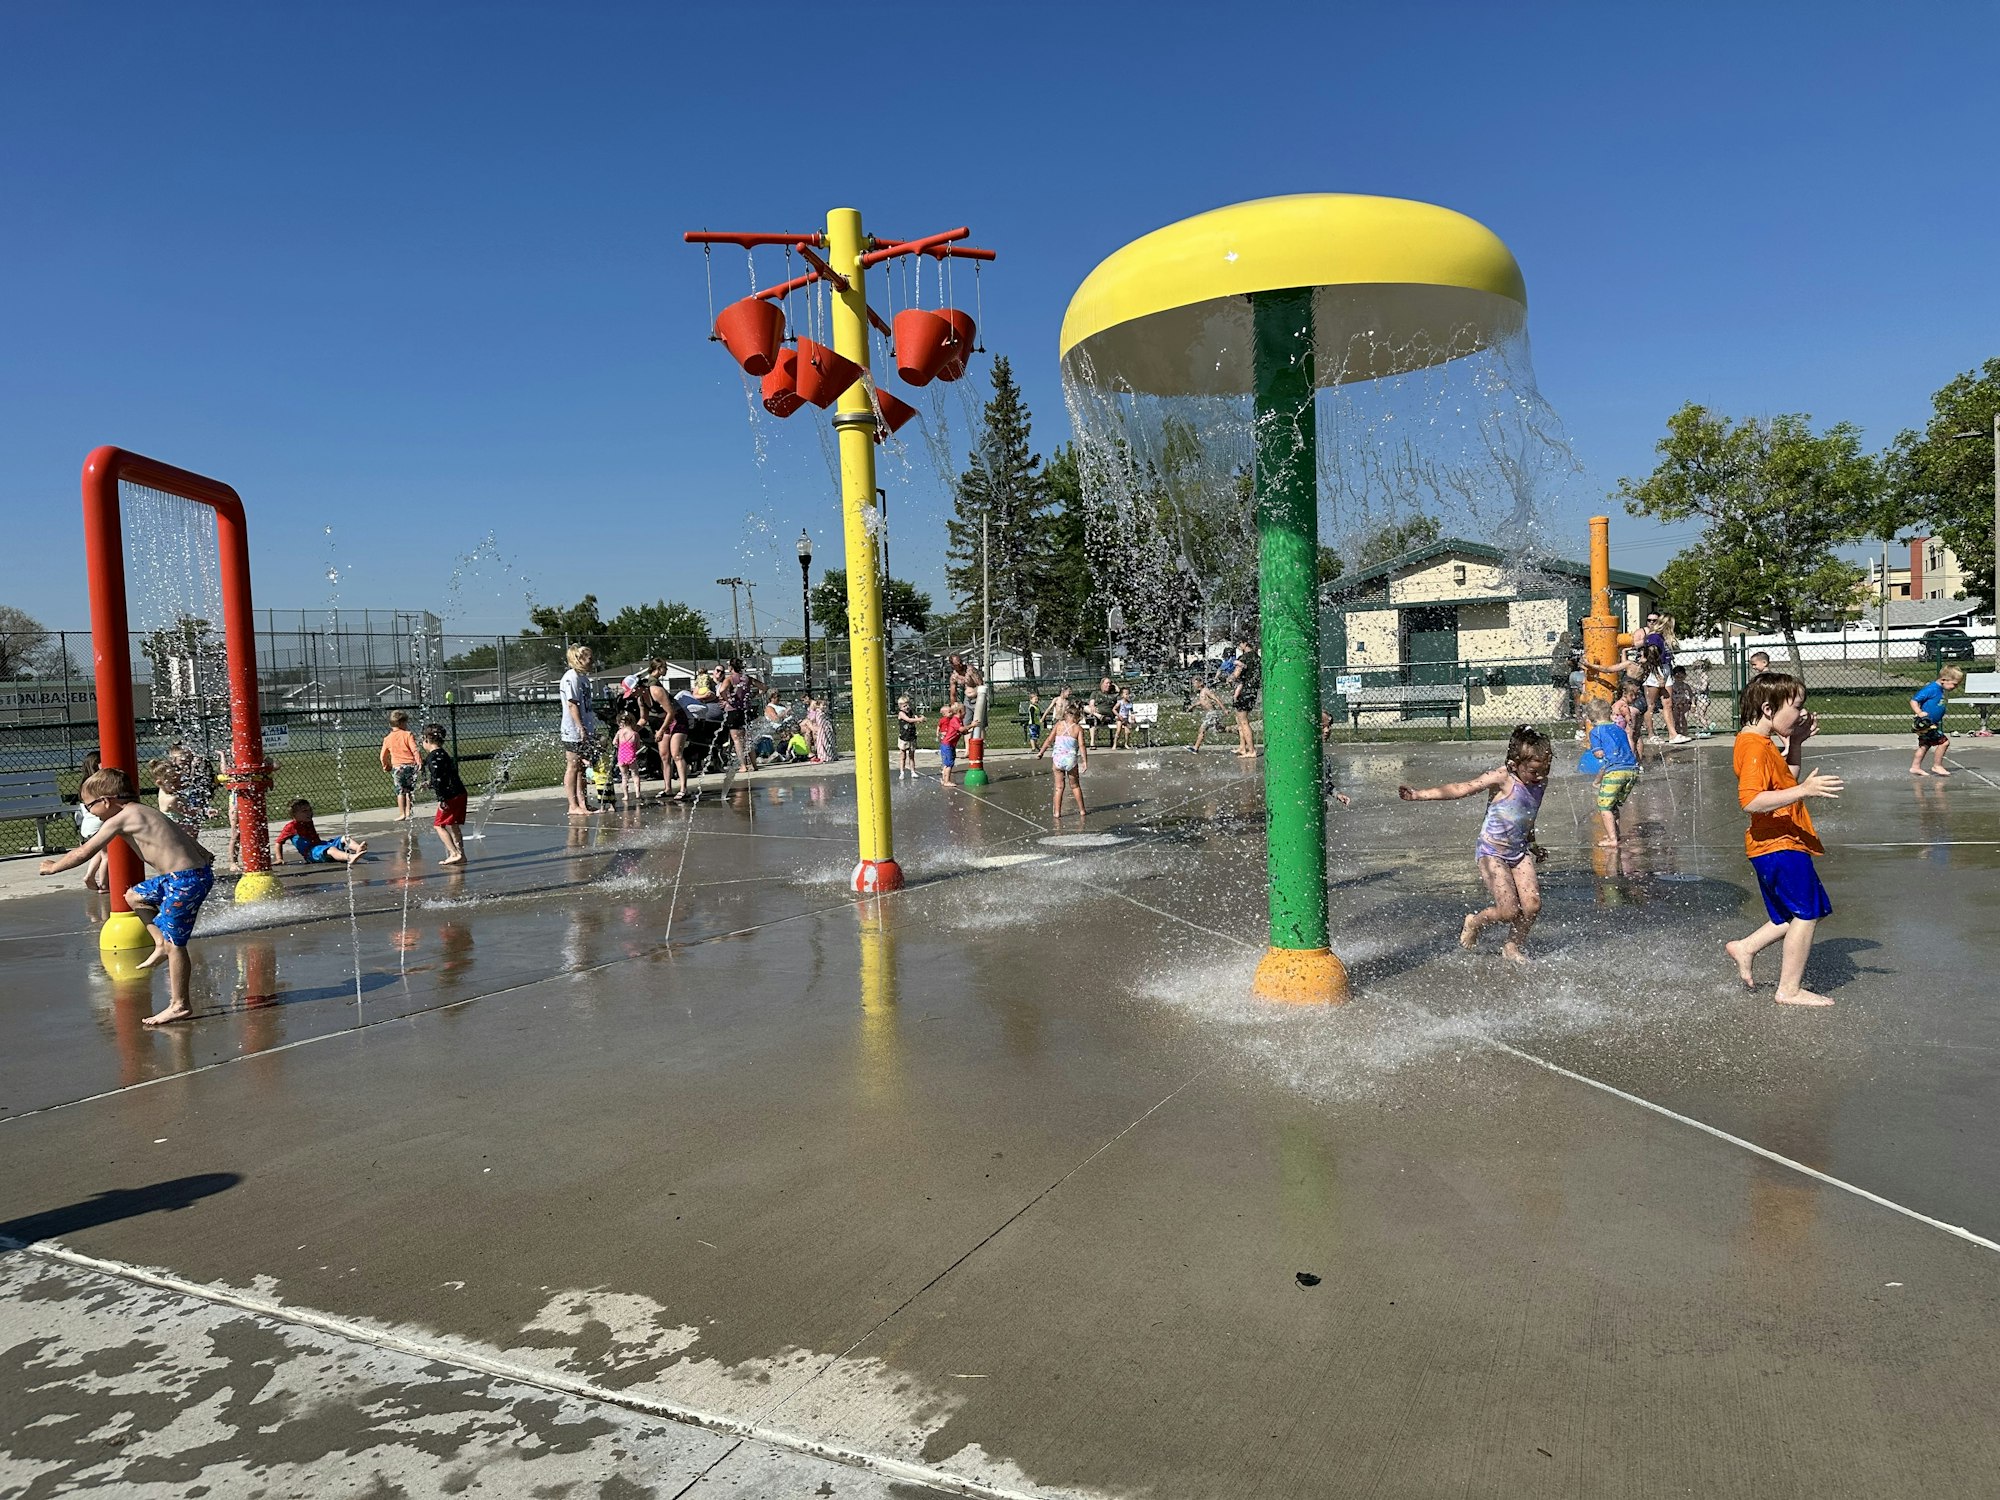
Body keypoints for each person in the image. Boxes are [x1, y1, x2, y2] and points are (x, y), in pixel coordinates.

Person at [41, 767, 216, 1024]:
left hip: (185, 881)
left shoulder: (120, 819)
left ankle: (179, 1004)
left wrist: (54, 867)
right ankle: (159, 943)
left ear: (106, 801)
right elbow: (176, 833)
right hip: (179, 878)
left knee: (176, 945)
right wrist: (202, 851)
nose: (88, 811)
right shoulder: (143, 810)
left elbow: (85, 851)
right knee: (134, 896)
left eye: (89, 805)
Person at [1724, 673, 1842, 1005]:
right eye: (1797, 707)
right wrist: (1805, 791)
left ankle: (1745, 947)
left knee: (1791, 915)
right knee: (1806, 914)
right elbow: (1750, 800)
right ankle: (1788, 989)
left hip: (1774, 844)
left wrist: (1797, 745)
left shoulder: (1759, 743)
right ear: (1767, 708)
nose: (1803, 714)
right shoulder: (1754, 748)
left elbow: (1786, 783)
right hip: (1778, 844)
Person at [1398, 724, 1553, 964]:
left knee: (1532, 906)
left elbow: (1528, 816)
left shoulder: (1539, 783)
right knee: (1508, 910)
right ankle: (1474, 922)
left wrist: (1532, 844)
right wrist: (1419, 795)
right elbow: (1461, 789)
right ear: (1514, 765)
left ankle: (1512, 946)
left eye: (1546, 768)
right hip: (1492, 853)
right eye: (1534, 771)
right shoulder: (1503, 778)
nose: (1541, 775)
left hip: (1518, 852)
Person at [1577, 698, 1640, 848]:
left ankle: (1612, 839)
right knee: (1613, 805)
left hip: (1616, 772)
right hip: (1632, 770)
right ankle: (1616, 835)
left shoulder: (1595, 732)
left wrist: (1598, 750)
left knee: (1604, 807)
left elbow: (1598, 754)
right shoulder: (1619, 728)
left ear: (1591, 719)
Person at [1641, 612, 1690, 744]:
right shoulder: (1654, 637)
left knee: (1668, 703)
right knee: (1650, 705)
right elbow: (1651, 657)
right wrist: (1658, 676)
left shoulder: (1663, 638)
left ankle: (1673, 734)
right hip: (1654, 671)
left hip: (1665, 668)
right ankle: (1651, 734)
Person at [422, 723, 468, 865]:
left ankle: (454, 853)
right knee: (453, 824)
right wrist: (430, 783)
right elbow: (444, 775)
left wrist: (442, 799)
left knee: (438, 825)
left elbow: (438, 778)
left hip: (450, 796)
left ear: (426, 740)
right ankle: (461, 855)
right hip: (460, 793)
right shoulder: (443, 754)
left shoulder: (432, 756)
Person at [560, 643, 597, 814]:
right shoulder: (571, 677)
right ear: (579, 659)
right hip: (573, 730)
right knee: (573, 766)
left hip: (585, 729)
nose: (592, 661)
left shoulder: (583, 678)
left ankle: (583, 803)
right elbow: (572, 704)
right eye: (589, 658)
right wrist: (580, 727)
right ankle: (572, 805)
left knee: (582, 768)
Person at [1037, 700, 1087, 824]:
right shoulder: (1078, 728)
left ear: (1066, 715)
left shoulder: (1059, 725)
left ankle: (1057, 812)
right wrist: (1085, 761)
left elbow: (1049, 740)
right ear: (1077, 717)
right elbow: (1082, 745)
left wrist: (1041, 752)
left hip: (1058, 759)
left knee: (1059, 787)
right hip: (1070, 760)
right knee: (1075, 786)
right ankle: (1082, 810)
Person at [275, 799, 367, 864]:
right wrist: (279, 858)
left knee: (345, 838)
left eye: (310, 810)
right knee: (331, 850)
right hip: (311, 853)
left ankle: (358, 848)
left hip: (321, 845)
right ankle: (350, 857)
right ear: (294, 814)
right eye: (304, 811)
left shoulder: (307, 820)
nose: (309, 813)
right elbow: (279, 842)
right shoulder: (290, 827)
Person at [1909, 664, 1962, 777]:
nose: (1955, 687)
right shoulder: (1931, 689)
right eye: (1954, 684)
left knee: (1925, 745)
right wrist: (1919, 712)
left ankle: (1915, 767)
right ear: (1943, 680)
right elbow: (1914, 700)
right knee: (1944, 742)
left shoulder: (1940, 689)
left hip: (1930, 724)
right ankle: (1937, 766)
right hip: (1926, 724)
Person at [72, 748, 109, 891]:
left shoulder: (85, 784)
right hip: (98, 823)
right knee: (107, 855)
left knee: (99, 851)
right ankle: (104, 885)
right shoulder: (99, 784)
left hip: (87, 825)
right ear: (98, 765)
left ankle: (89, 875)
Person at [378, 708, 422, 820]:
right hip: (410, 766)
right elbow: (414, 749)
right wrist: (419, 761)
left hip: (398, 767)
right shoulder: (408, 735)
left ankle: (402, 813)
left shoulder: (387, 738)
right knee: (409, 791)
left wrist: (386, 765)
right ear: (402, 723)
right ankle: (408, 812)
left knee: (400, 791)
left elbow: (383, 755)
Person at [1230, 641, 1261, 757]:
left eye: (1239, 643)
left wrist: (1227, 678)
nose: (1239, 646)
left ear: (1245, 643)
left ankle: (1251, 750)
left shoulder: (1243, 658)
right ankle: (1242, 748)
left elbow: (1235, 675)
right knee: (1240, 721)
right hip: (1252, 691)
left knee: (1243, 721)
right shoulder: (1257, 658)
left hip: (1244, 691)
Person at [613, 710, 644, 805]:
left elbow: (614, 743)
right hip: (631, 756)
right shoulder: (635, 734)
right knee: (635, 775)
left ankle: (626, 795)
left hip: (621, 757)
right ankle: (638, 793)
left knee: (624, 777)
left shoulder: (619, 732)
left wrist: (619, 744)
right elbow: (638, 746)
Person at [1190, 677, 1227, 753]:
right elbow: (1202, 701)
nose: (1193, 685)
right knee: (1219, 729)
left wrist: (1224, 709)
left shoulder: (1206, 690)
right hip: (1210, 714)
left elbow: (1216, 699)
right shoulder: (1201, 692)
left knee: (1202, 729)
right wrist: (1193, 706)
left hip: (1212, 713)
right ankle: (1236, 730)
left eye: (1194, 683)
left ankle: (1195, 748)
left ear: (1200, 683)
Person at [936, 701, 965, 787]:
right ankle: (946, 781)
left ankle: (944, 779)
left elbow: (963, 731)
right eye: (964, 711)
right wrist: (972, 725)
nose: (965, 712)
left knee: (947, 763)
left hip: (948, 744)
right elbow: (962, 729)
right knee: (949, 764)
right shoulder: (955, 720)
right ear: (960, 711)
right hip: (948, 744)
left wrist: (969, 729)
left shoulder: (958, 720)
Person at [897, 696, 919, 778]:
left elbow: (915, 719)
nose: (907, 707)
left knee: (911, 755)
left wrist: (920, 719)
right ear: (900, 707)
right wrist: (918, 719)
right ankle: (902, 772)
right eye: (904, 706)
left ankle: (913, 771)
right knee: (903, 755)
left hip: (912, 737)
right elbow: (909, 720)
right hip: (904, 737)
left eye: (907, 705)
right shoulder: (901, 713)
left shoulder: (911, 712)